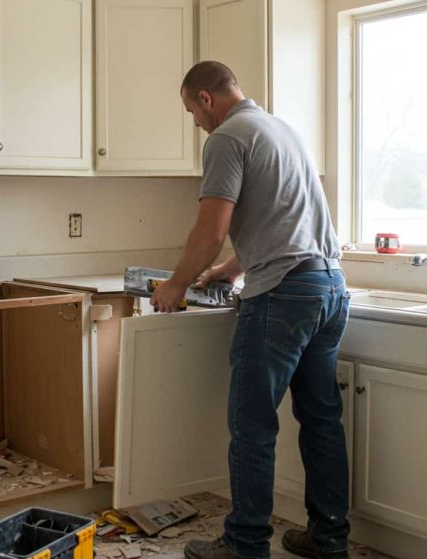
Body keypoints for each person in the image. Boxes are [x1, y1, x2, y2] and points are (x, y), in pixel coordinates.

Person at [150, 61, 350, 559]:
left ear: (205, 98)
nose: (195, 123)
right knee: (322, 421)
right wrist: (231, 269)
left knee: (253, 426)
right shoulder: (282, 130)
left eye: (191, 111)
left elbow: (210, 230)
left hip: (282, 296)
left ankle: (244, 545)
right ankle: (329, 540)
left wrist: (176, 284)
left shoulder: (226, 138)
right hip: (329, 287)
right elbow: (285, 220)